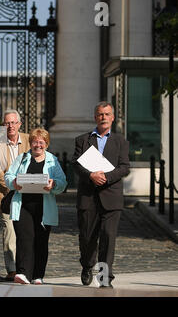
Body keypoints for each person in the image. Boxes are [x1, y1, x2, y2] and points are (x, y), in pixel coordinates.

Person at [71, 102, 129, 288]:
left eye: (107, 114)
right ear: (95, 117)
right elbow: (76, 164)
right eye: (100, 114)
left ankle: (105, 278)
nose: (103, 117)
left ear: (112, 117)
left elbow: (124, 167)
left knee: (107, 237)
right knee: (87, 238)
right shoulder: (82, 140)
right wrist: (91, 176)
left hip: (111, 196)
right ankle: (87, 265)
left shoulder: (121, 141)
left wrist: (106, 177)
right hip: (88, 196)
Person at [4, 128, 67, 285]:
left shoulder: (53, 160)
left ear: (46, 144)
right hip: (23, 205)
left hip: (44, 208)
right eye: (35, 142)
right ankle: (23, 273)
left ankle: (37, 275)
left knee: (41, 240)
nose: (38, 145)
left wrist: (54, 184)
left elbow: (63, 182)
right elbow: (8, 176)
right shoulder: (22, 158)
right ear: (30, 143)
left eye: (41, 142)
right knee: (24, 239)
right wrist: (14, 183)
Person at [0, 109, 30, 281]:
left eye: (14, 122)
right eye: (7, 123)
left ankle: (26, 267)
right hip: (6, 194)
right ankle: (12, 268)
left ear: (19, 124)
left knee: (27, 231)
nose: (10, 126)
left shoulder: (29, 139)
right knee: (9, 230)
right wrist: (12, 184)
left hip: (28, 194)